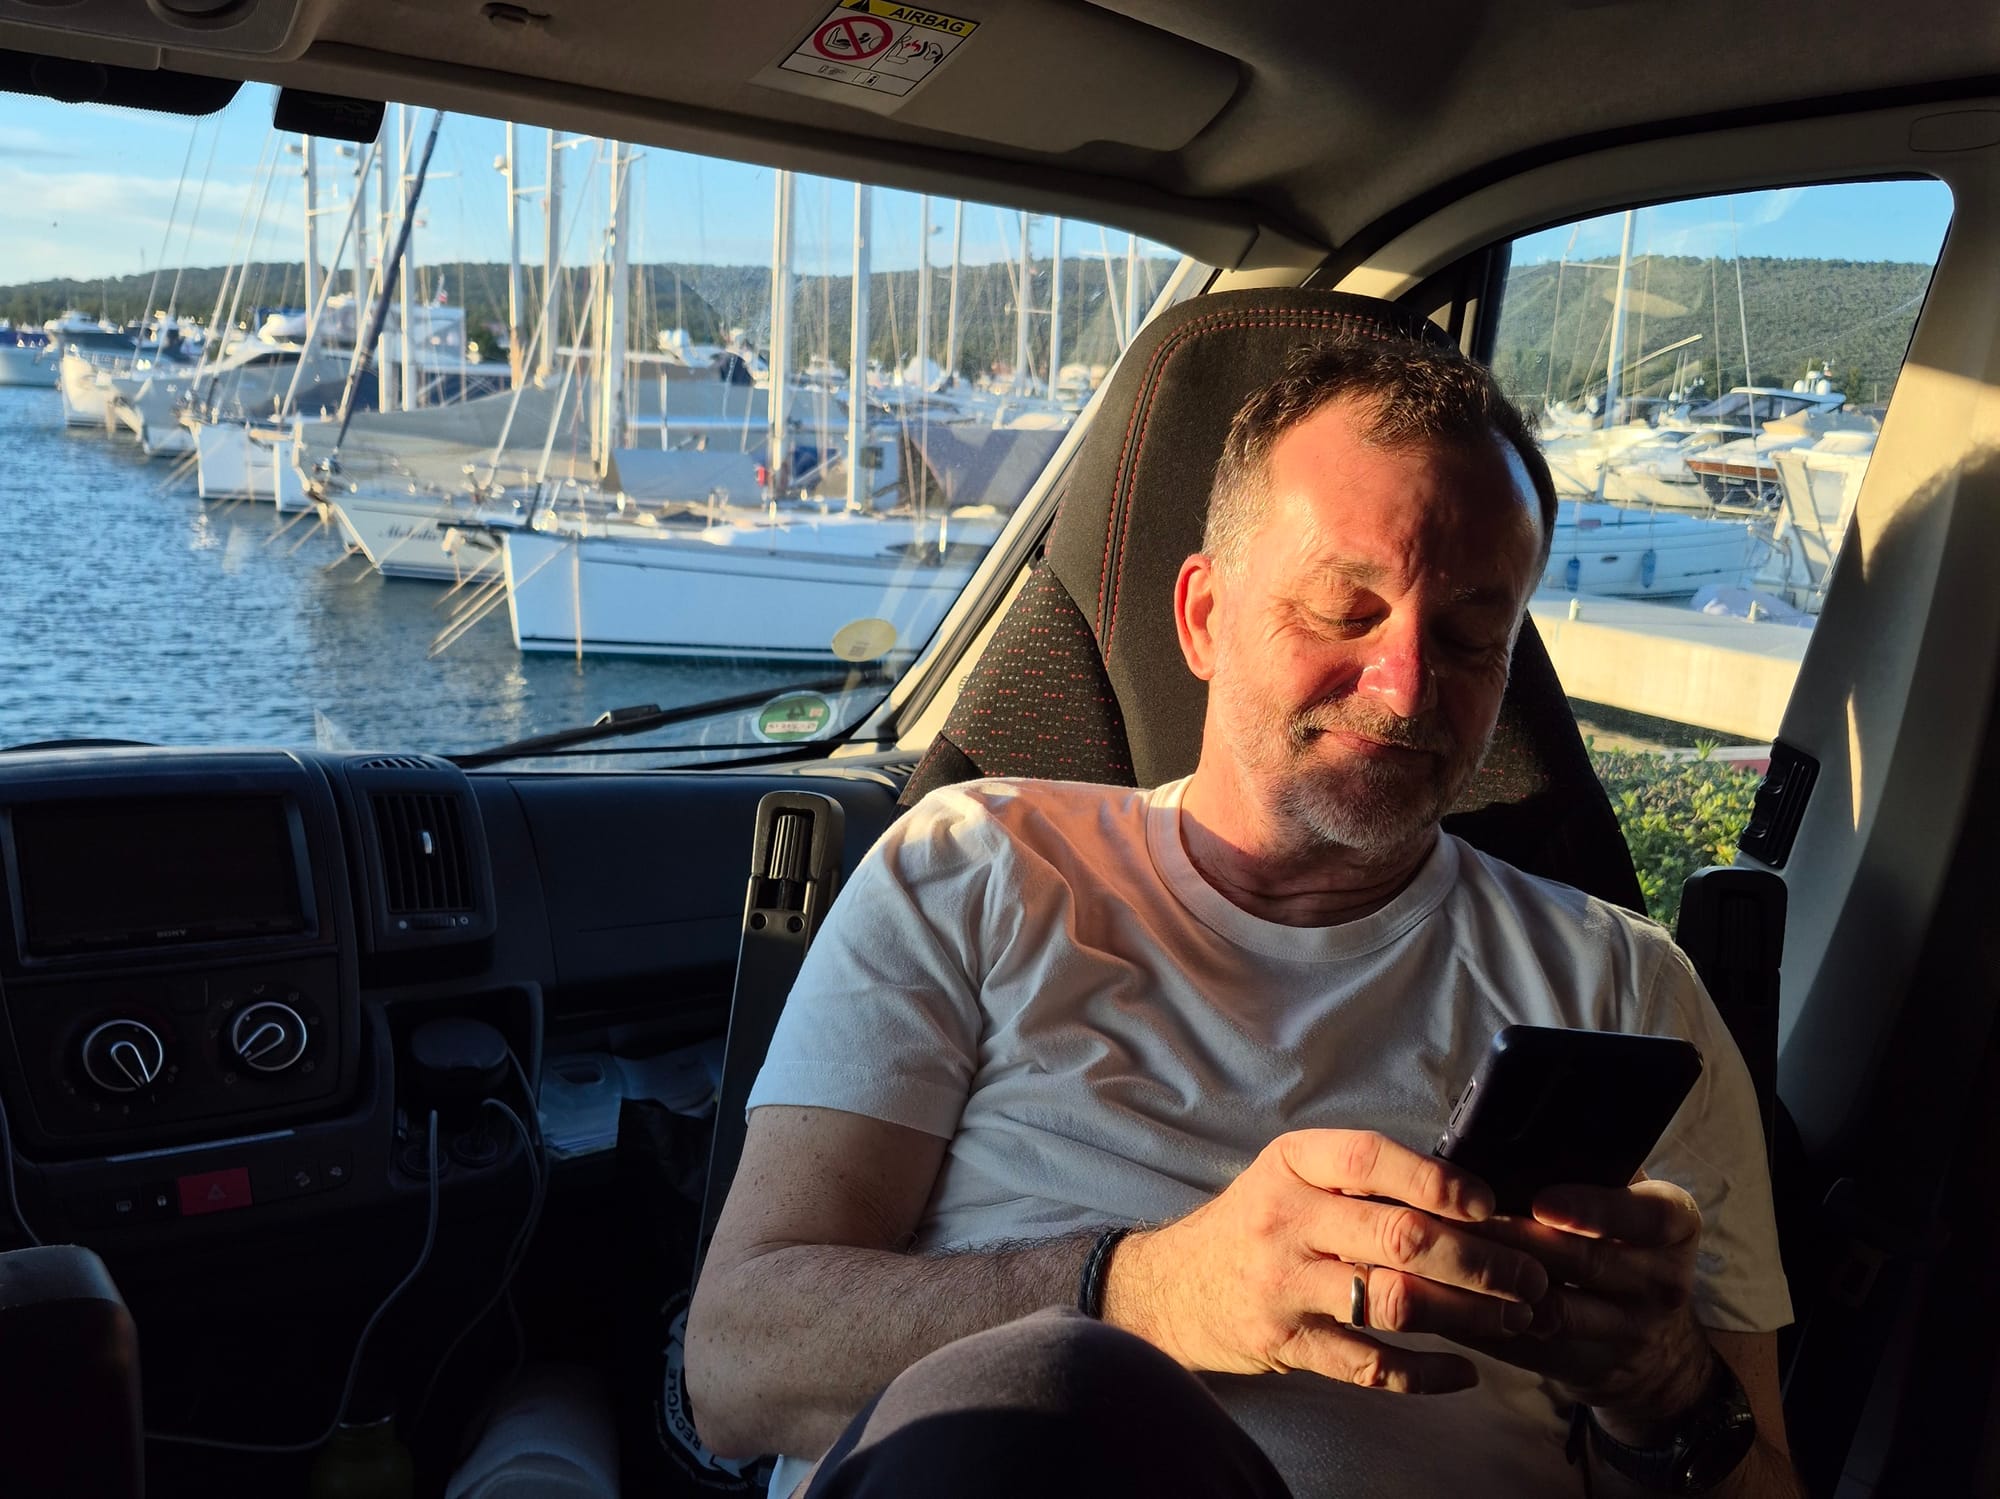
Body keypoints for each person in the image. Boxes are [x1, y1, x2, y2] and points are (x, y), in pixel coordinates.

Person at [685, 336, 1799, 1498]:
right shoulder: (974, 862)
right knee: (1046, 1393)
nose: (1405, 683)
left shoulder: (1623, 988)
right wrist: (1157, 1292)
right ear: (1204, 616)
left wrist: (1661, 1391)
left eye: (1470, 637)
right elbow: (734, 1361)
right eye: (1343, 608)